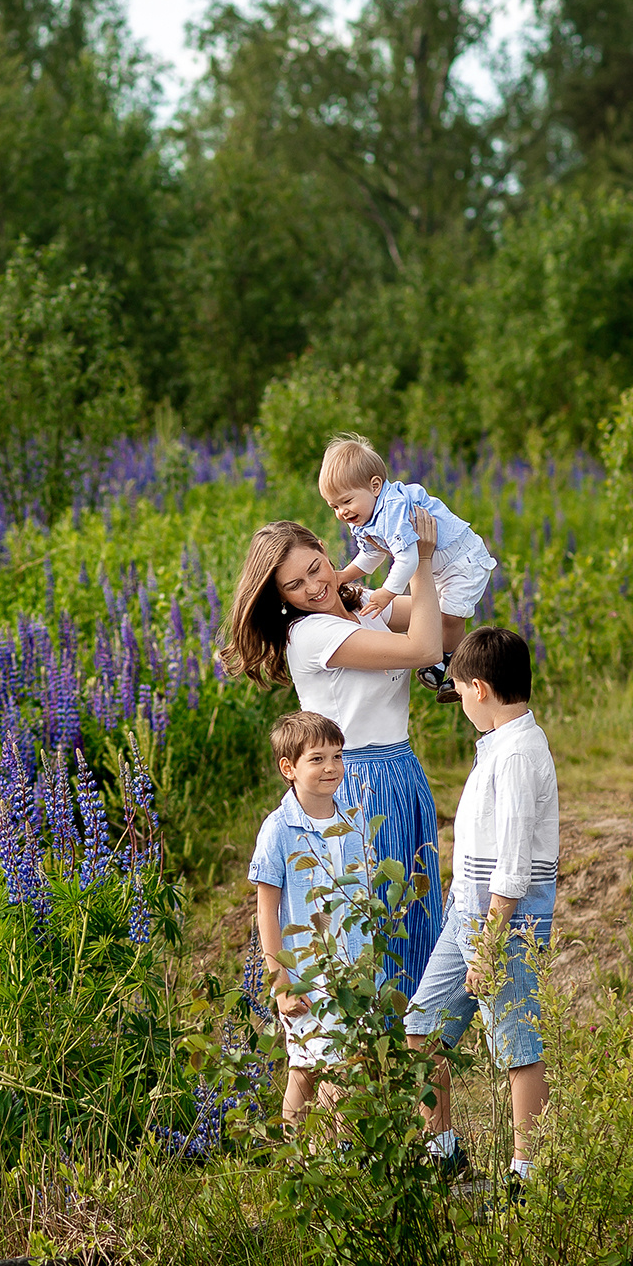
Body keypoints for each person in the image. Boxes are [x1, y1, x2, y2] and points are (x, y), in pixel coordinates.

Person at [216, 507, 446, 991]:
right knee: (376, 927)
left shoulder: (356, 598)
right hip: (354, 780)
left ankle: (422, 1054)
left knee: (418, 921)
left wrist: (419, 548)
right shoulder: (311, 633)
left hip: (401, 769)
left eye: (314, 569)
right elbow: (425, 649)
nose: (312, 588)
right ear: (280, 599)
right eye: (293, 586)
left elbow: (444, 620)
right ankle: (369, 1052)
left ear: (325, 549)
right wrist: (419, 561)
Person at [403, 626, 556, 1191]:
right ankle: (444, 1153)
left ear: (481, 688)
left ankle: (527, 1173)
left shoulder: (518, 755)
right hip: (464, 914)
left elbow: (513, 862)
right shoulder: (497, 745)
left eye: (460, 690)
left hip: (503, 924)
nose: (458, 700)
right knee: (422, 1029)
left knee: (516, 1041)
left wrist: (490, 944)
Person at [249, 711, 366, 1130]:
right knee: (316, 1066)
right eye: (317, 759)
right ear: (289, 768)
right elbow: (266, 909)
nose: (331, 767)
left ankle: (314, 1164)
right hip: (308, 975)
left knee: (326, 1063)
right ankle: (314, 1157)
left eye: (337, 756)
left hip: (353, 968)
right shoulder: (278, 829)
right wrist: (279, 980)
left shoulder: (353, 820)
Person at [318, 434, 497, 702]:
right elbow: (371, 553)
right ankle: (452, 668)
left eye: (346, 501)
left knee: (450, 617)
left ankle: (451, 668)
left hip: (463, 559)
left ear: (375, 486)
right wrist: (345, 575)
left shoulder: (392, 509)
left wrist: (387, 592)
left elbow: (408, 559)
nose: (342, 512)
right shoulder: (364, 516)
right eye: (334, 506)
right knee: (436, 615)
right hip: (439, 566)